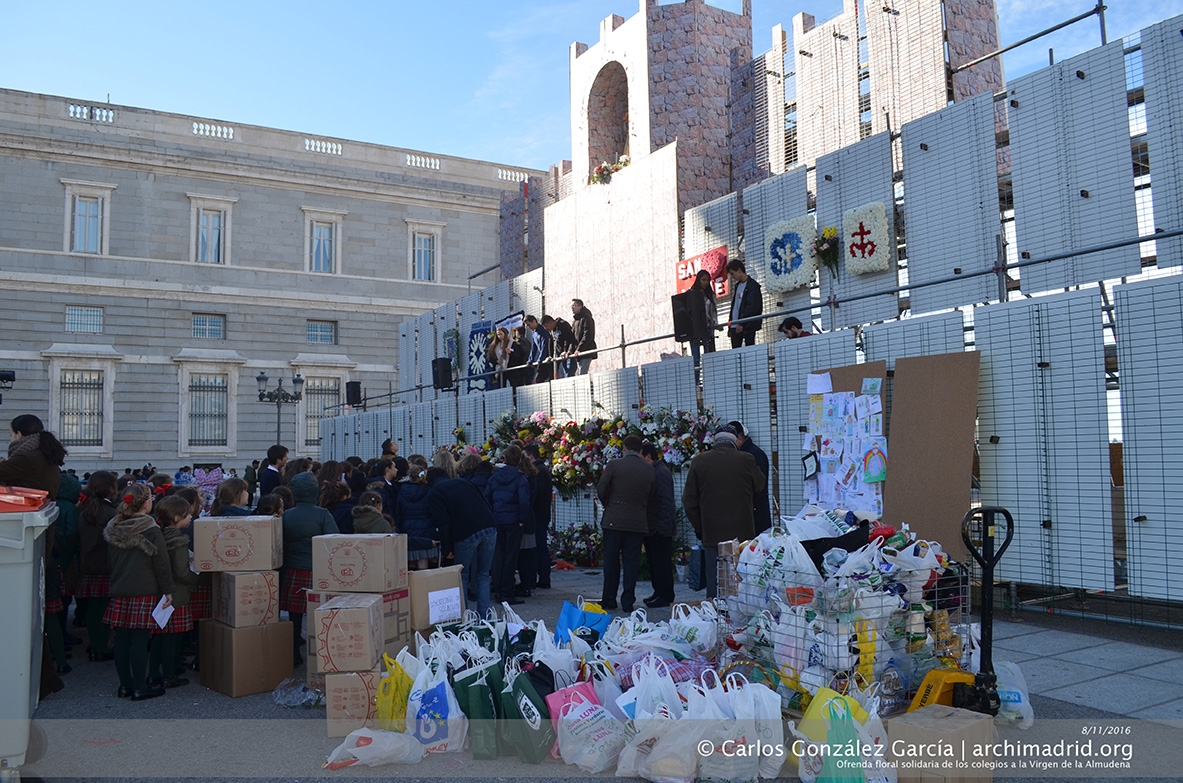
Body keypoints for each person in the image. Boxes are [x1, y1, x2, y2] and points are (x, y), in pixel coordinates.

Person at [102, 482, 173, 701]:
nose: (153, 501)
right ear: (144, 505)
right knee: (140, 641)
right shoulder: (150, 528)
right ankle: (140, 687)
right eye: (151, 498)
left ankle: (125, 685)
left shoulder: (114, 525)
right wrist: (168, 590)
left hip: (120, 586)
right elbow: (161, 563)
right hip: (143, 587)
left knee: (122, 639)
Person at [682, 429, 765, 599]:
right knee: (742, 575)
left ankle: (715, 615)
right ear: (735, 441)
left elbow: (689, 501)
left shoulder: (699, 461)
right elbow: (760, 485)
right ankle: (741, 616)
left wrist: (700, 527)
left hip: (712, 532)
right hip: (742, 533)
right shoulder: (746, 459)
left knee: (715, 577)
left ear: (715, 441)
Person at [281, 472, 338, 667]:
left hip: (294, 567)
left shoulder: (286, 515)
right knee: (320, 614)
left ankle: (294, 652)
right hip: (318, 568)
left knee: (294, 615)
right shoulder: (323, 514)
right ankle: (321, 652)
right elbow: (335, 540)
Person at [426, 467, 497, 619]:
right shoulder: (464, 482)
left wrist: (447, 549)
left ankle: (465, 617)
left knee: (462, 575)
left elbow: (443, 523)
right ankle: (485, 618)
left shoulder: (435, 493)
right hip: (489, 527)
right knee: (483, 575)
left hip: (465, 533)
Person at [596, 435, 655, 612]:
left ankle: (609, 599)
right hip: (637, 522)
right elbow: (651, 495)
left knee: (611, 562)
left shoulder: (614, 465)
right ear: (640, 450)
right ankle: (628, 601)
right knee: (631, 563)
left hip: (613, 520)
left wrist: (609, 505)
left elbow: (601, 488)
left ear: (624, 448)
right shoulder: (649, 470)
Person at [149, 495, 197, 690]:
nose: (191, 518)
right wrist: (197, 579)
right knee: (172, 638)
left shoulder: (160, 535)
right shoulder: (178, 540)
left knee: (160, 637)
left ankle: (154, 673)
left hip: (162, 591)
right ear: (177, 518)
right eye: (187, 515)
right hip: (177, 593)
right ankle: (169, 674)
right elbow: (181, 571)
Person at [77, 470, 118, 662]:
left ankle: (95, 644)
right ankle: (100, 646)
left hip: (87, 564)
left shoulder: (84, 509)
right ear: (111, 489)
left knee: (93, 609)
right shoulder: (111, 512)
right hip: (105, 565)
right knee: (102, 610)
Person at [483, 445, 532, 605]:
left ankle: (498, 591)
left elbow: (487, 496)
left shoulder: (495, 476)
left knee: (498, 556)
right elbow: (524, 501)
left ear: (504, 457)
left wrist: (492, 513)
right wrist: (521, 518)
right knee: (511, 556)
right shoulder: (520, 478)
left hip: (498, 518)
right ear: (519, 459)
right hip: (513, 520)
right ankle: (507, 593)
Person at [640, 442, 676, 608]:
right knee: (655, 562)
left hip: (660, 528)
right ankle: (659, 591)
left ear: (648, 457)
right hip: (653, 526)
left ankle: (665, 594)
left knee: (662, 563)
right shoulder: (654, 471)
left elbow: (665, 502)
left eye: (641, 457)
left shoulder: (660, 473)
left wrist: (661, 527)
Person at [0, 414, 67, 499]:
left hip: (29, 507)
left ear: (19, 434)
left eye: (11, 435)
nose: (10, 439)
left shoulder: (26, 458)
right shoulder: (43, 452)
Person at [727, 420, 772, 534]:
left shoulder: (754, 455)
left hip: (755, 514)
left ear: (740, 438)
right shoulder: (746, 453)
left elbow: (758, 486)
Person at [396, 456, 438, 569]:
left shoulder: (402, 491)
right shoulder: (429, 491)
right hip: (427, 529)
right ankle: (424, 585)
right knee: (423, 560)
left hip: (408, 528)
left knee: (410, 561)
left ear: (409, 476)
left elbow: (399, 511)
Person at [524, 444, 553, 589]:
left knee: (539, 547)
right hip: (541, 514)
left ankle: (543, 578)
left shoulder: (539, 471)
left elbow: (537, 493)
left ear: (530, 457)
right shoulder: (542, 469)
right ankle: (542, 577)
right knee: (540, 546)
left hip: (538, 515)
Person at [726, 259, 763, 348]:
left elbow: (752, 306)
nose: (732, 276)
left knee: (749, 348)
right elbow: (734, 307)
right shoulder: (737, 286)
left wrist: (742, 323)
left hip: (747, 325)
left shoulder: (752, 285)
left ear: (739, 270)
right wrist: (730, 326)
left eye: (732, 273)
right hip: (735, 324)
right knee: (736, 351)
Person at [685, 270, 719, 367]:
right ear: (698, 280)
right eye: (703, 280)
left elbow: (713, 312)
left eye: (707, 280)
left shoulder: (710, 294)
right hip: (695, 328)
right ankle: (696, 380)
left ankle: (710, 376)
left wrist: (716, 324)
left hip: (708, 327)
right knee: (696, 357)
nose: (705, 282)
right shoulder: (691, 294)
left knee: (709, 355)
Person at [570, 299, 597, 376]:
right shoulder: (575, 321)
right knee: (579, 373)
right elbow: (572, 337)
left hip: (585, 351)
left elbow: (588, 335)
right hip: (578, 353)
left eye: (574, 305)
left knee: (582, 373)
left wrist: (579, 349)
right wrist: (570, 350)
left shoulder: (587, 318)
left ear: (580, 306)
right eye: (572, 305)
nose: (572, 307)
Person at [525, 315, 554, 384]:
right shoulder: (534, 333)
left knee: (551, 377)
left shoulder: (543, 330)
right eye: (527, 326)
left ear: (534, 321)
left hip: (548, 358)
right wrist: (530, 360)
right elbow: (533, 348)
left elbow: (545, 345)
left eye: (529, 325)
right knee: (538, 380)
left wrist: (540, 359)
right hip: (542, 360)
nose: (529, 327)